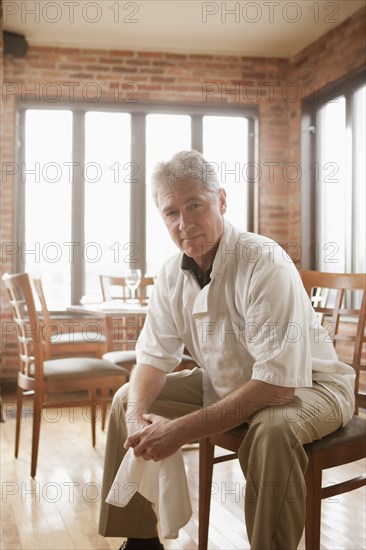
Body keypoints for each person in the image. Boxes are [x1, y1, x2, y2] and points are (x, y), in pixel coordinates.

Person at [98, 150, 355, 550]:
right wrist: (136, 417)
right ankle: (141, 541)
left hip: (311, 387)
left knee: (272, 429)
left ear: (221, 200)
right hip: (229, 384)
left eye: (195, 205)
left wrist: (178, 430)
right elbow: (152, 358)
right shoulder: (170, 274)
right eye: (171, 213)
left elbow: (277, 388)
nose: (185, 223)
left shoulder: (262, 261)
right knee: (126, 399)